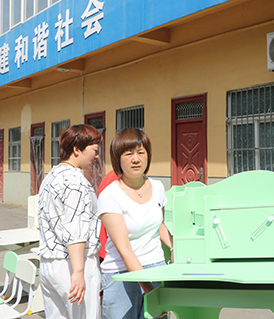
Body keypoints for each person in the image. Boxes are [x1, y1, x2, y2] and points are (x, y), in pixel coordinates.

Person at [98, 128, 173, 319]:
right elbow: (124, 249)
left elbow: (160, 225)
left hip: (156, 267)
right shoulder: (110, 195)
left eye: (141, 152)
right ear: (117, 158)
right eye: (128, 153)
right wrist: (148, 288)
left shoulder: (157, 187)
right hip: (121, 275)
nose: (136, 159)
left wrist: (174, 248)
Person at [38, 124, 102, 319]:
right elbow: (76, 228)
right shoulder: (75, 181)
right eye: (95, 150)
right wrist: (78, 271)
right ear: (77, 149)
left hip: (49, 263)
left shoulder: (51, 176)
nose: (97, 157)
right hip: (72, 264)